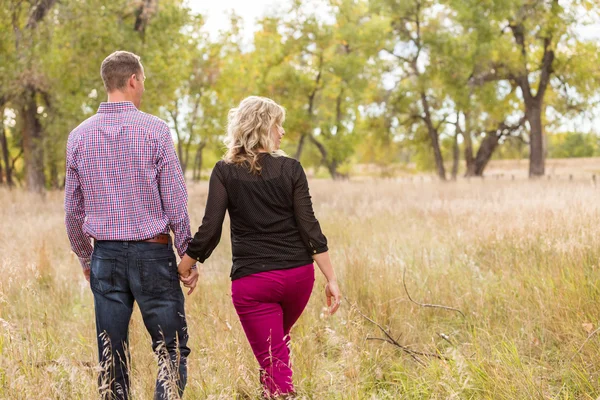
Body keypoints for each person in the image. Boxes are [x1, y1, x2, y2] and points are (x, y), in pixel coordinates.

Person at [178, 95, 342, 398]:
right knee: (275, 350)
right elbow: (310, 229)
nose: (282, 132)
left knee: (273, 356)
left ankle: (278, 394)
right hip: (298, 278)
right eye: (278, 125)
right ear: (263, 126)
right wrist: (330, 278)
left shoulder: (224, 171)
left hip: (254, 284)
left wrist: (184, 266)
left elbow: (210, 230)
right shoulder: (291, 169)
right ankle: (270, 392)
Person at [64, 50, 199, 400]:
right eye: (143, 82)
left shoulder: (78, 136)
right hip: (152, 254)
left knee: (111, 358)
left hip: (105, 257)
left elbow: (72, 211)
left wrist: (85, 258)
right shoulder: (155, 130)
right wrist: (186, 252)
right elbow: (175, 199)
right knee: (169, 352)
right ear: (132, 80)